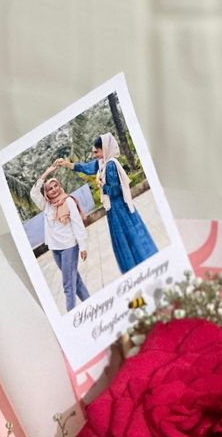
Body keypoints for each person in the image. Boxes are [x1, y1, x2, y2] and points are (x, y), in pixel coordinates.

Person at [60, 133, 157, 274]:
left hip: (119, 207)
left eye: (96, 151)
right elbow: (85, 168)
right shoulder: (101, 163)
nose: (94, 155)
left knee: (130, 235)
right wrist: (67, 164)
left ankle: (141, 261)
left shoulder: (110, 164)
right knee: (125, 237)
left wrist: (101, 184)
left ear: (104, 149)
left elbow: (116, 190)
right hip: (113, 208)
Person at [30, 163, 90, 312]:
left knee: (68, 285)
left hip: (69, 247)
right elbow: (33, 193)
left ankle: (71, 314)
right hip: (56, 249)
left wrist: (82, 246)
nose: (54, 189)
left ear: (60, 186)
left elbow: (77, 224)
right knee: (76, 281)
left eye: (56, 186)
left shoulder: (68, 201)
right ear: (47, 193)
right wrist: (47, 171)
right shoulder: (46, 205)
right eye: (50, 188)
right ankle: (90, 304)